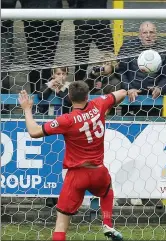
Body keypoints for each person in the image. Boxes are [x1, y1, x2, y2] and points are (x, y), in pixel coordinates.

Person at [18, 81, 127, 241]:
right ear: (88, 95)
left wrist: (27, 109)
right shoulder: (98, 104)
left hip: (77, 175)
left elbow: (34, 132)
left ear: (69, 97)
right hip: (98, 171)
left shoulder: (66, 120)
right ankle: (107, 223)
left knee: (61, 224)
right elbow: (123, 92)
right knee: (107, 190)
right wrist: (108, 105)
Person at [118, 21, 166, 116]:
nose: (148, 36)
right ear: (139, 35)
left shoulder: (164, 50)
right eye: (145, 33)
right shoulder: (128, 47)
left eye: (151, 32)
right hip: (132, 95)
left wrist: (160, 88)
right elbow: (121, 72)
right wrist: (129, 88)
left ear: (156, 35)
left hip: (154, 96)